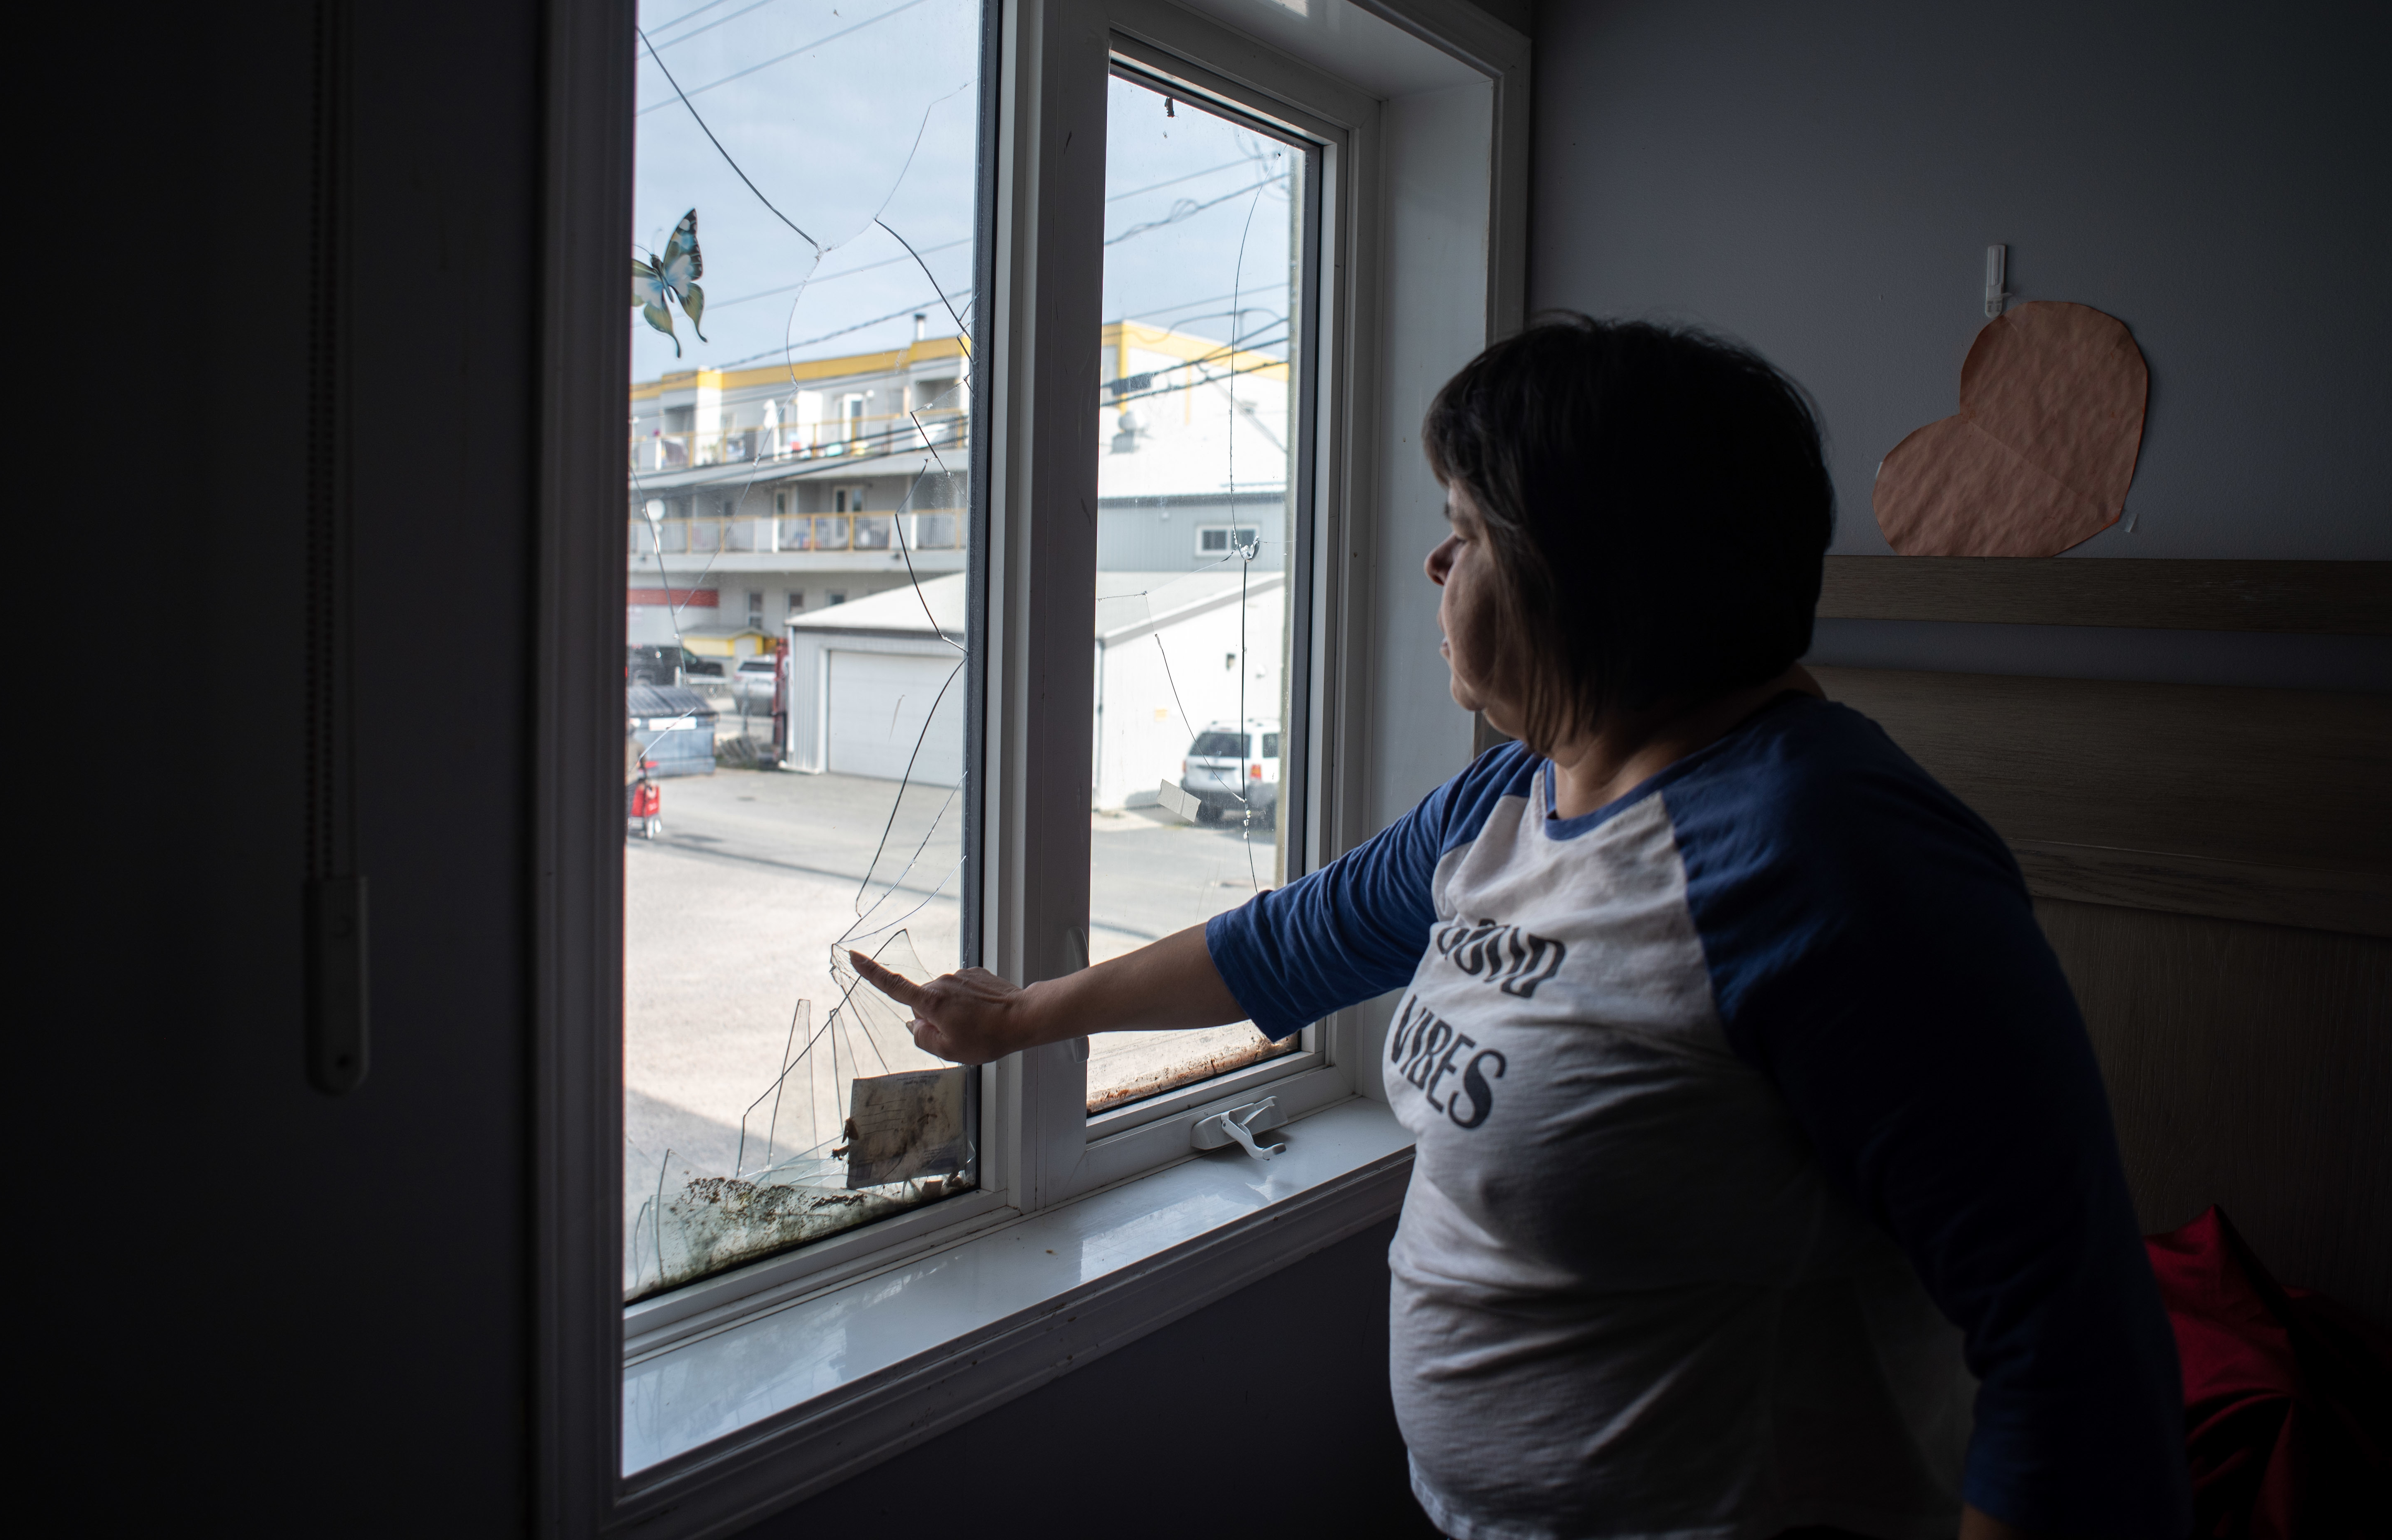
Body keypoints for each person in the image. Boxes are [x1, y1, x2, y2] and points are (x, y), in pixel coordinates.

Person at [852, 318, 2188, 1540]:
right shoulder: (1517, 791)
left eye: (1468, 530)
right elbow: (1283, 947)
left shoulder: (1833, 860)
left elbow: (2073, 1354)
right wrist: (1020, 1017)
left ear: (1593, 573)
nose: (1436, 563)